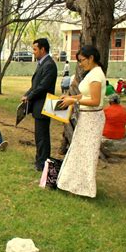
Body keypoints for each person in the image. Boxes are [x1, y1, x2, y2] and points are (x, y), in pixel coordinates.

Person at [57, 45, 106, 198]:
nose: (80, 63)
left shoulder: (97, 75)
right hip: (86, 118)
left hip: (93, 119)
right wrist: (71, 98)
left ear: (91, 58)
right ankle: (74, 185)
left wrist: (74, 101)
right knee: (79, 151)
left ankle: (84, 188)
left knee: (87, 154)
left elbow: (95, 101)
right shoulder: (92, 73)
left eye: (82, 60)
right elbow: (84, 95)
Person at [21, 38, 58, 171]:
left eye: (35, 49)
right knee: (39, 136)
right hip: (39, 106)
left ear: (43, 49)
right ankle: (40, 160)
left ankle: (43, 164)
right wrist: (26, 95)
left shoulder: (49, 65)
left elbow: (43, 87)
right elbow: (35, 85)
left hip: (44, 105)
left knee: (42, 137)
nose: (33, 52)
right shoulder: (42, 63)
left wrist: (29, 97)